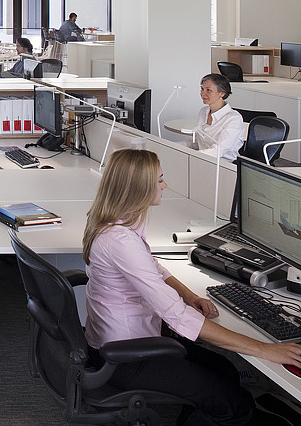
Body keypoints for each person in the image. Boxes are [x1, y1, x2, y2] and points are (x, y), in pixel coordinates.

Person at [83, 148, 301, 426]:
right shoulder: (120, 241)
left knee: (225, 371)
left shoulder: (113, 222)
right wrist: (264, 349)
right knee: (236, 404)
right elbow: (177, 316)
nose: (165, 185)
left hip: (122, 342)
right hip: (125, 358)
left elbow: (153, 268)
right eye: (159, 180)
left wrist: (188, 295)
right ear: (138, 189)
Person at [193, 73, 245, 161]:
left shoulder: (233, 118)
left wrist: (192, 155)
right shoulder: (203, 112)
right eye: (202, 89)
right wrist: (173, 146)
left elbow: (218, 151)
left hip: (224, 165)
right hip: (203, 160)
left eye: (208, 90)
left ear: (222, 93)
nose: (202, 93)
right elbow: (198, 143)